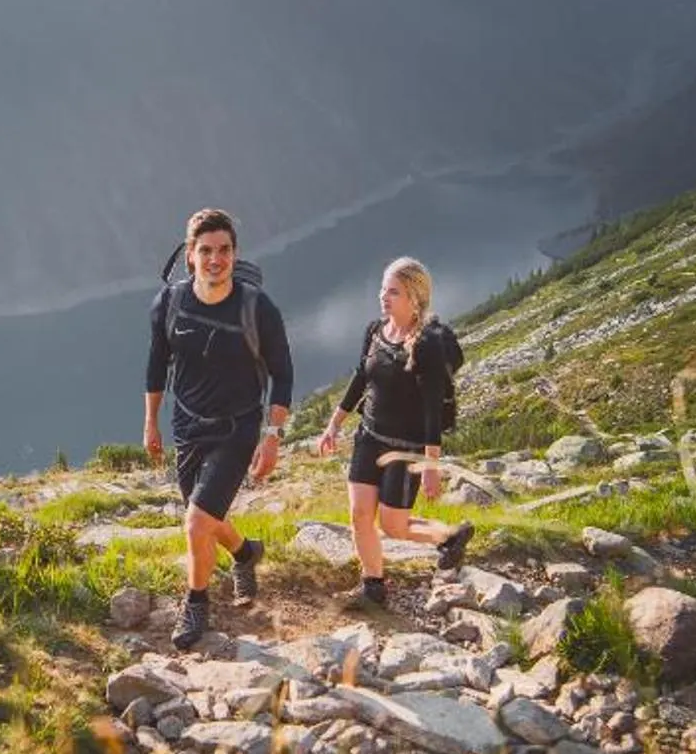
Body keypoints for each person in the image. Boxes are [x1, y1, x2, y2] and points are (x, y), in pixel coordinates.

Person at [142, 207, 294, 651]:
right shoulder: (169, 303)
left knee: (194, 522)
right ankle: (246, 553)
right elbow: (156, 367)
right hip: (187, 424)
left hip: (238, 427)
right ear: (189, 255)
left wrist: (272, 436)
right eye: (205, 251)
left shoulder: (257, 307)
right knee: (205, 516)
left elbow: (282, 374)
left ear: (234, 253)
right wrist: (150, 422)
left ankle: (196, 604)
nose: (215, 259)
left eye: (224, 250)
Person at [314, 256, 470, 608]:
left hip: (406, 448)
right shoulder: (375, 330)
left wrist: (431, 466)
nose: (384, 297)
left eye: (393, 292)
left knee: (394, 527)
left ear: (414, 297)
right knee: (359, 515)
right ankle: (373, 585)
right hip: (368, 437)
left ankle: (448, 537)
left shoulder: (426, 344)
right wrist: (333, 425)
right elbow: (360, 379)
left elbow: (432, 409)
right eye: (383, 289)